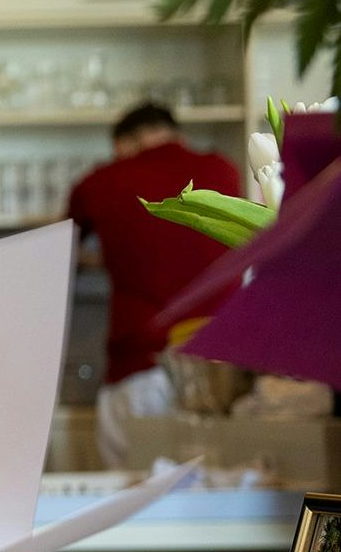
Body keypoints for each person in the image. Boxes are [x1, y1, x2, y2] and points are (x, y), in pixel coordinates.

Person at [66, 103, 240, 385]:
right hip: (220, 366)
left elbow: (62, 253)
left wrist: (100, 258)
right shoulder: (224, 169)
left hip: (140, 364)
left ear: (125, 143)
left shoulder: (101, 182)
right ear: (177, 137)